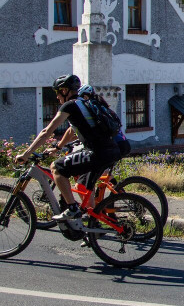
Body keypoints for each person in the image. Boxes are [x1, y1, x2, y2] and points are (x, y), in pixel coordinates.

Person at [15, 74, 122, 221]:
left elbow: (47, 132)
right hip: (111, 150)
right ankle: (92, 227)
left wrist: (26, 154)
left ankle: (72, 208)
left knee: (57, 168)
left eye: (58, 92)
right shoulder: (85, 103)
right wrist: (58, 147)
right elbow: (73, 132)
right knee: (83, 188)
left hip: (98, 152)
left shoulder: (70, 106)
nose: (57, 97)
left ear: (65, 90)